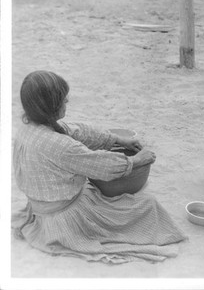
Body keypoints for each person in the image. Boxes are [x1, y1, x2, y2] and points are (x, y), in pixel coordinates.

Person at [12, 70, 186, 264]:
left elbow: (77, 132)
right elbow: (99, 164)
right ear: (51, 106)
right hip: (62, 217)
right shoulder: (60, 147)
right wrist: (136, 161)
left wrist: (116, 139)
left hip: (41, 208)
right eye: (64, 100)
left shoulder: (28, 128)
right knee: (148, 206)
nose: (67, 102)